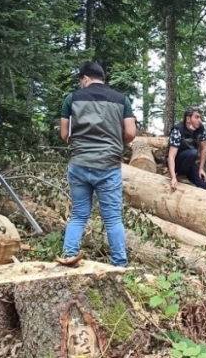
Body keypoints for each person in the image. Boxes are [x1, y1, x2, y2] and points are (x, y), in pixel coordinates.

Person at [57, 62, 136, 267]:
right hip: (108, 165)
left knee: (79, 215)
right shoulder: (122, 100)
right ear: (102, 78)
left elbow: (64, 134)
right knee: (112, 219)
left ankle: (69, 256)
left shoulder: (71, 99)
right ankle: (119, 264)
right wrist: (115, 144)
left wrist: (79, 144)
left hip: (79, 163)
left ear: (85, 78)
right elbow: (130, 133)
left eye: (80, 81)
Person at [167, 107, 206, 190]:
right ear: (188, 119)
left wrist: (201, 169)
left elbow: (203, 148)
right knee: (193, 153)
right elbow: (171, 156)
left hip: (190, 162)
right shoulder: (178, 130)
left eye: (200, 118)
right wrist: (173, 177)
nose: (199, 120)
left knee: (205, 186)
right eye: (196, 117)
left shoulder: (200, 129)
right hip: (177, 162)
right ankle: (180, 175)